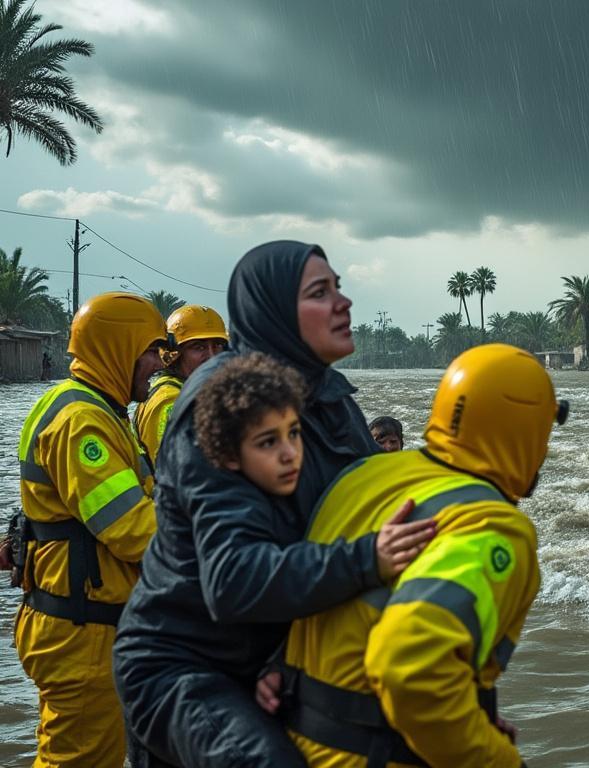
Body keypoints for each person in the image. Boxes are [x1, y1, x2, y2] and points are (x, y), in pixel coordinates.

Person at [113, 242, 437, 767]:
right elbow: (234, 579)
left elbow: (375, 518)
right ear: (275, 313)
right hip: (187, 667)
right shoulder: (223, 404)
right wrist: (367, 558)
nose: (343, 303)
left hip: (279, 654)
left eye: (338, 286)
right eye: (319, 293)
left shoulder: (333, 403)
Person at [265, 344, 561, 767]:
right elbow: (411, 668)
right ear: (528, 430)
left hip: (289, 744)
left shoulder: (363, 474)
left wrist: (471, 720)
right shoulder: (493, 526)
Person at [13, 292, 166, 767]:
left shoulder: (97, 409)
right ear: (118, 348)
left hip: (85, 625)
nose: (159, 364)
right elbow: (136, 531)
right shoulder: (83, 422)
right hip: (83, 634)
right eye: (150, 350)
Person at [134, 304, 228, 463]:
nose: (212, 356)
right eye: (199, 347)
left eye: (217, 345)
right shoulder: (171, 402)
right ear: (175, 355)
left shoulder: (189, 393)